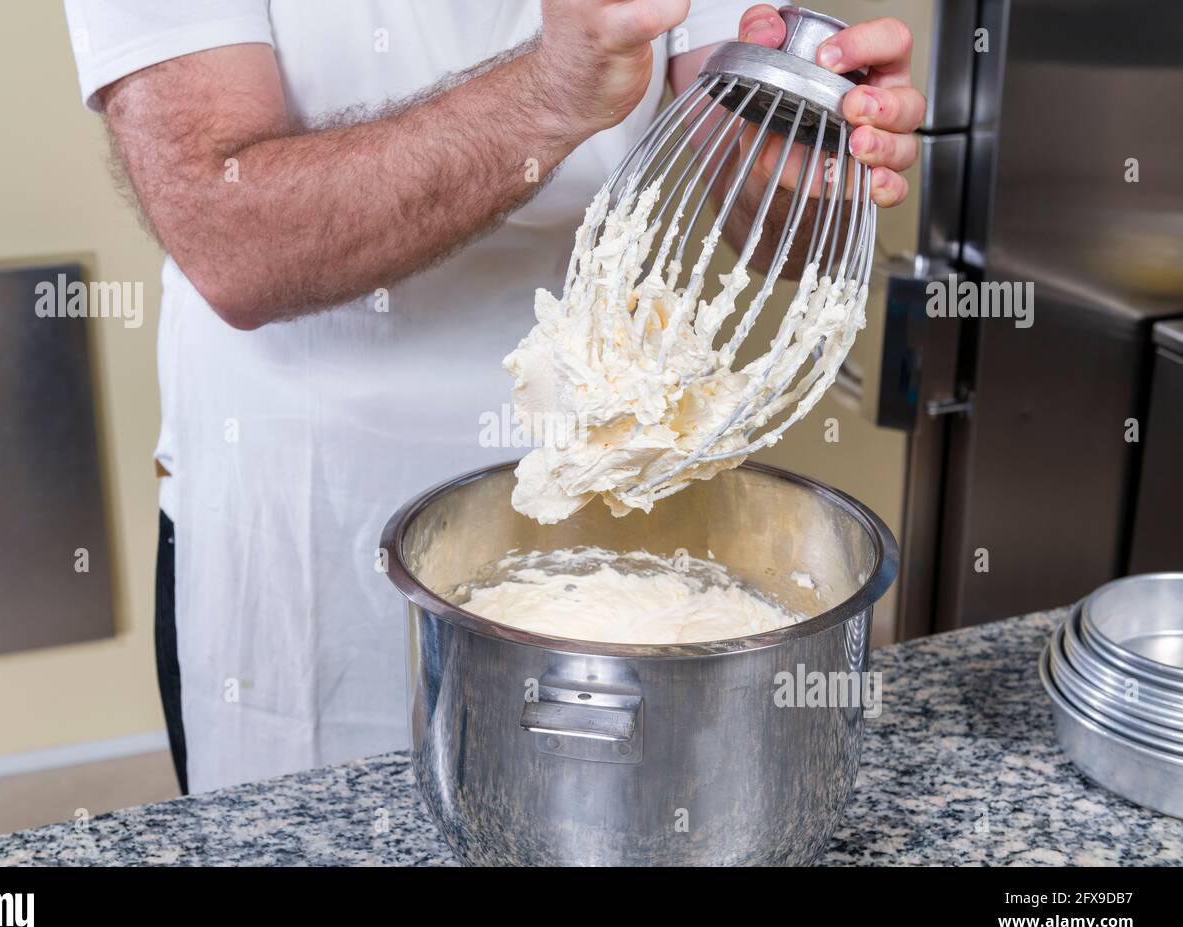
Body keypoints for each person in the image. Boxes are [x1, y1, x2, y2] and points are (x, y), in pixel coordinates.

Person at [63, 0, 923, 794]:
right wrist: (549, 93)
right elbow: (231, 239)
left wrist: (815, 145)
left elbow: (764, 203)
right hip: (307, 509)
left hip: (619, 475)